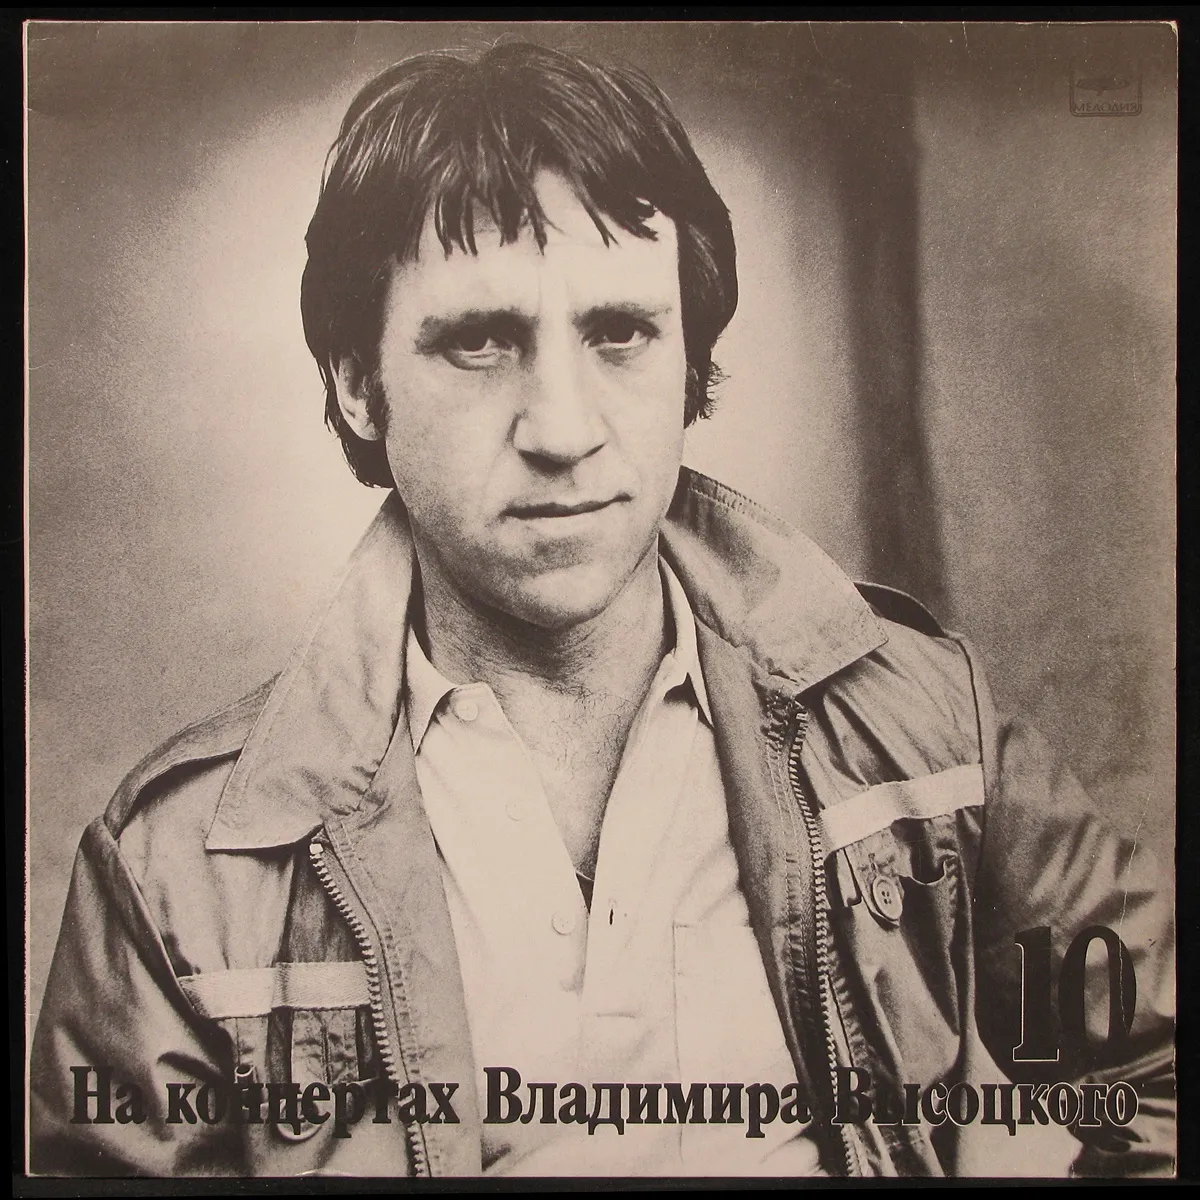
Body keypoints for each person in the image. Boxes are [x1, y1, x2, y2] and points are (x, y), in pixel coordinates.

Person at [29, 41, 1174, 1178]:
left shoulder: (923, 728)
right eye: (481, 341)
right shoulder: (177, 871)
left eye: (620, 332)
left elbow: (1161, 1072)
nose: (564, 429)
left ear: (688, 362)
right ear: (359, 386)